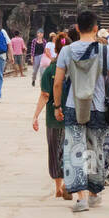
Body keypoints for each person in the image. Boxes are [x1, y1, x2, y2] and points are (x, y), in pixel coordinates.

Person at [52, 10, 109, 212]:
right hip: (98, 107)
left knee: (75, 149)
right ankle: (93, 194)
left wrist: (57, 106)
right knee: (94, 149)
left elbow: (57, 83)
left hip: (73, 106)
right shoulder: (104, 51)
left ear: (76, 28)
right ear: (95, 28)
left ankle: (80, 198)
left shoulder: (66, 51)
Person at [33, 32, 73, 200]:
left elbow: (44, 95)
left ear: (55, 49)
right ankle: (68, 183)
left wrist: (35, 116)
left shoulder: (50, 69)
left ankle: (58, 186)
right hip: (73, 116)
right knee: (71, 151)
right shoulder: (76, 69)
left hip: (53, 117)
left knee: (55, 150)